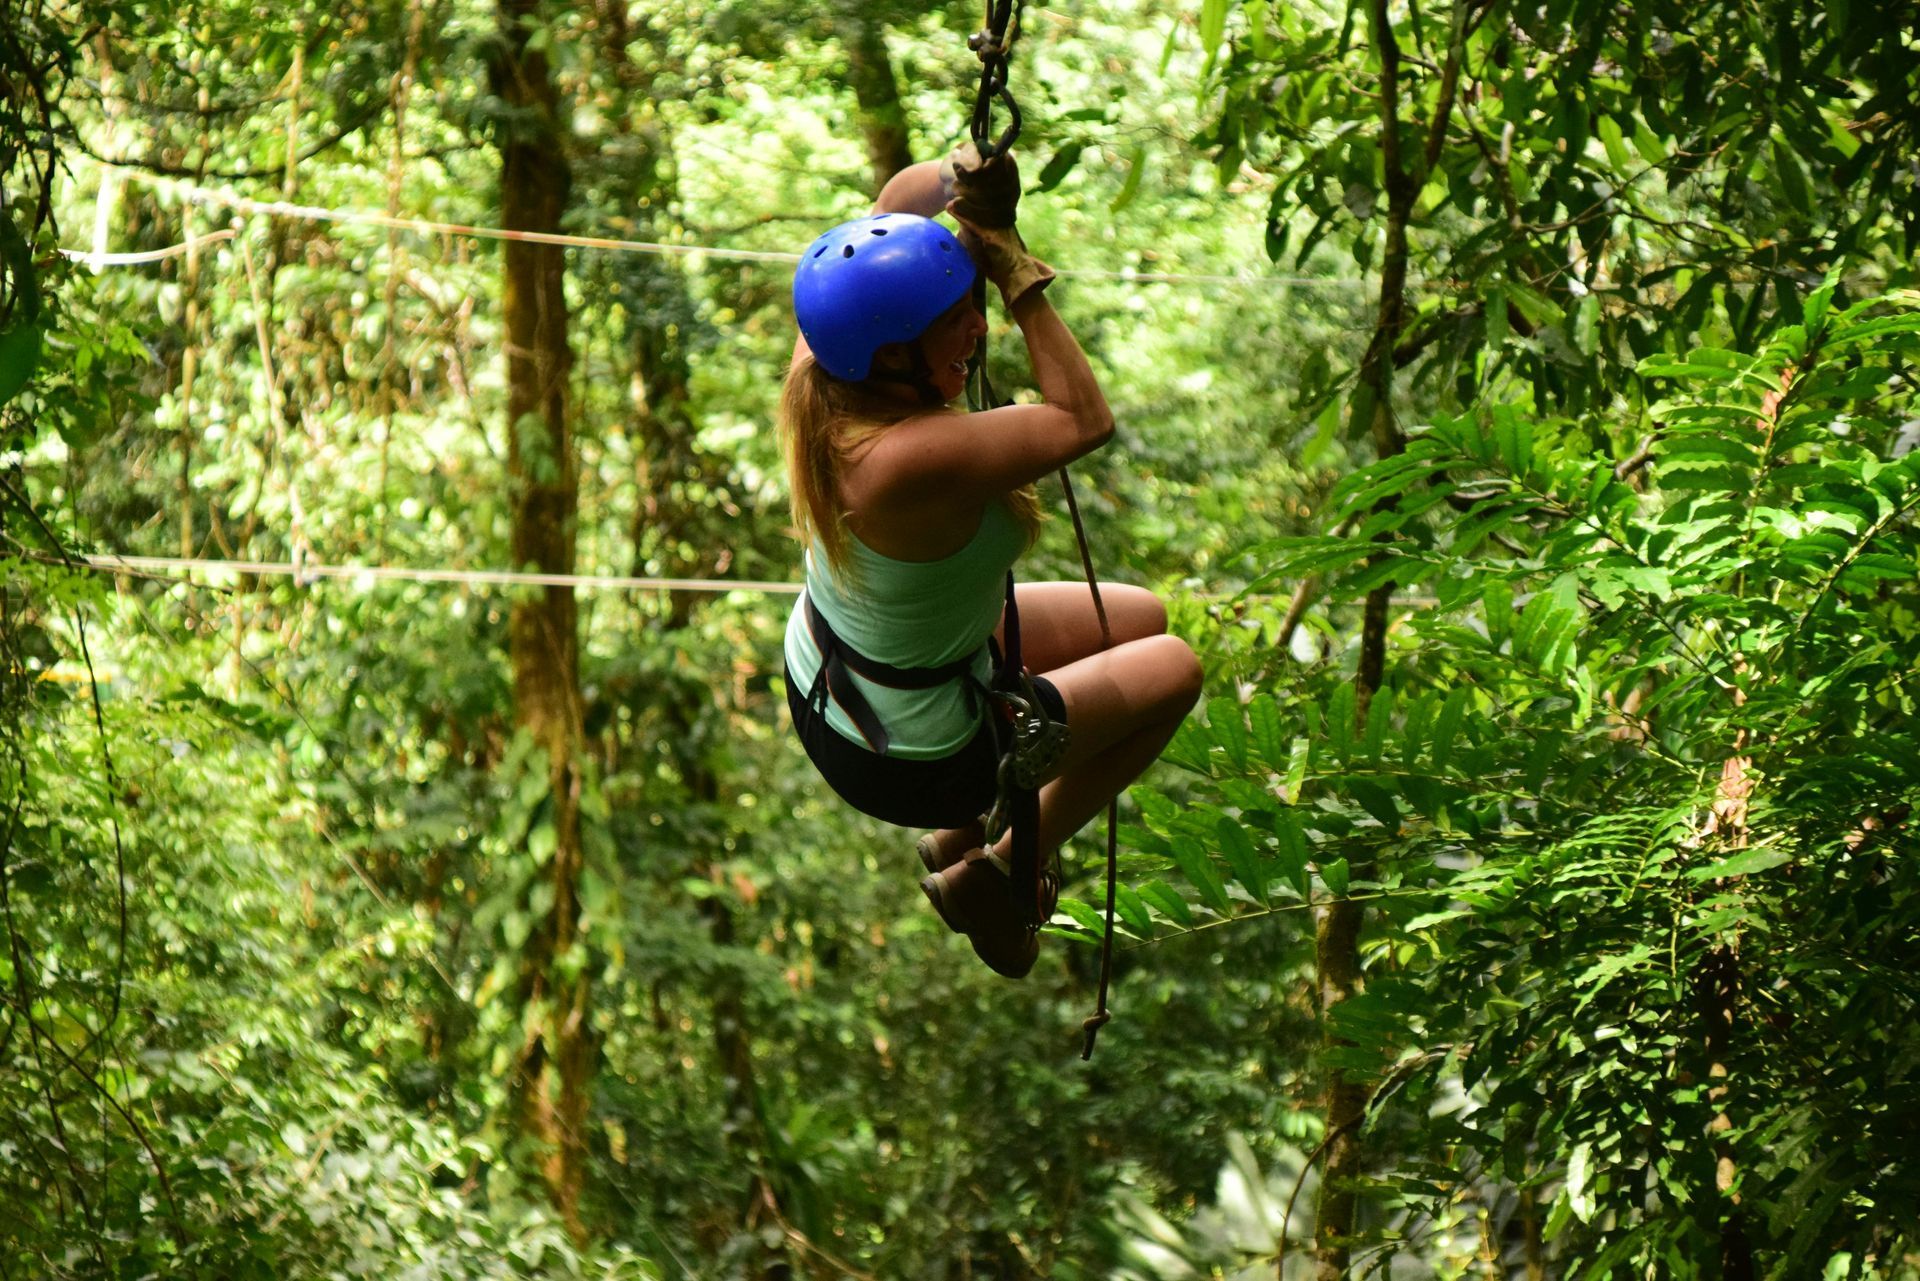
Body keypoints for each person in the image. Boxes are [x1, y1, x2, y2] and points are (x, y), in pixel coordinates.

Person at [779, 145, 1202, 978]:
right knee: (1174, 669)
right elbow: (1082, 418)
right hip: (906, 754)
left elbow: (898, 200)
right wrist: (1012, 271)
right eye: (953, 325)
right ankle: (1001, 864)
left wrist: (956, 175)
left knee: (1141, 617)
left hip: (840, 676)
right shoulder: (903, 460)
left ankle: (955, 838)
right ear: (894, 356)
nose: (976, 330)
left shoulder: (829, 364)